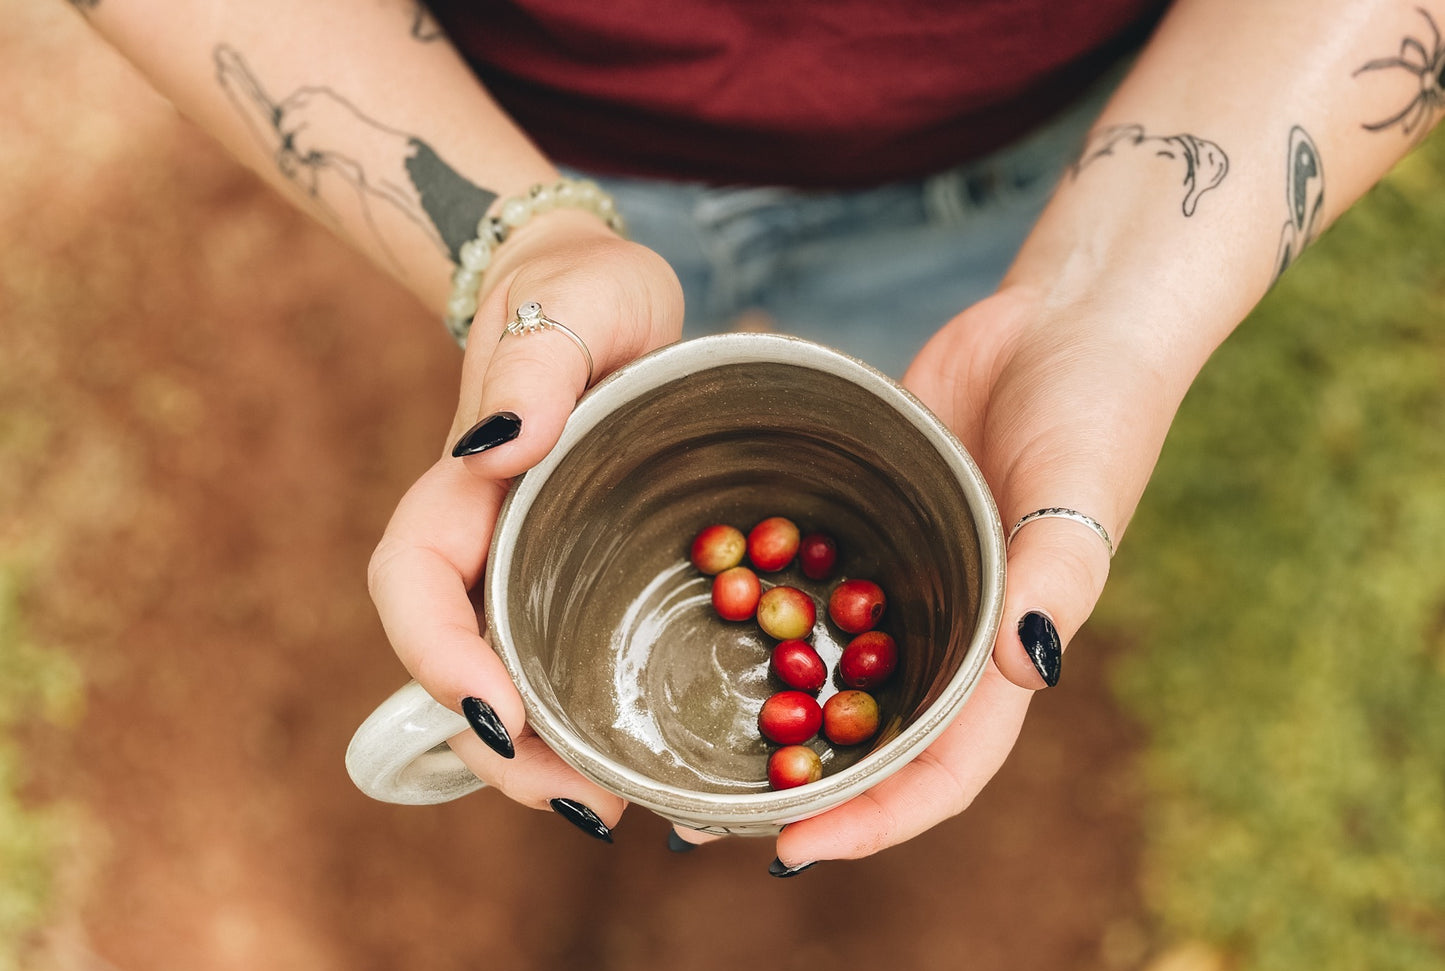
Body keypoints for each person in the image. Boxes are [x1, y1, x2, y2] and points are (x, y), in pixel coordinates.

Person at [74, 0, 1444, 874]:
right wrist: (517, 240)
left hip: (1069, 158)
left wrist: (1114, 305)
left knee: (917, 394)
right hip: (507, 129)